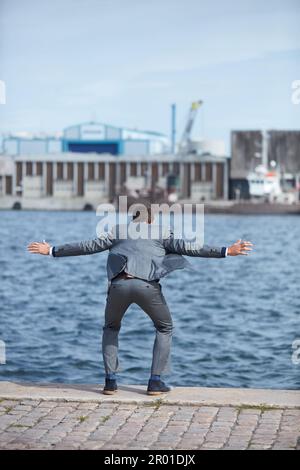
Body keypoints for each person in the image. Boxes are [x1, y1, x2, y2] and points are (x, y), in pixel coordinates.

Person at [28, 205, 253, 395]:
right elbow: (191, 247)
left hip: (119, 285)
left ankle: (110, 381)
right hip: (147, 287)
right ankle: (155, 381)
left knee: (111, 328)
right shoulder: (162, 232)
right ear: (152, 220)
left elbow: (87, 246)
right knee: (164, 328)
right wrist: (226, 251)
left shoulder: (117, 231)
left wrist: (52, 250)